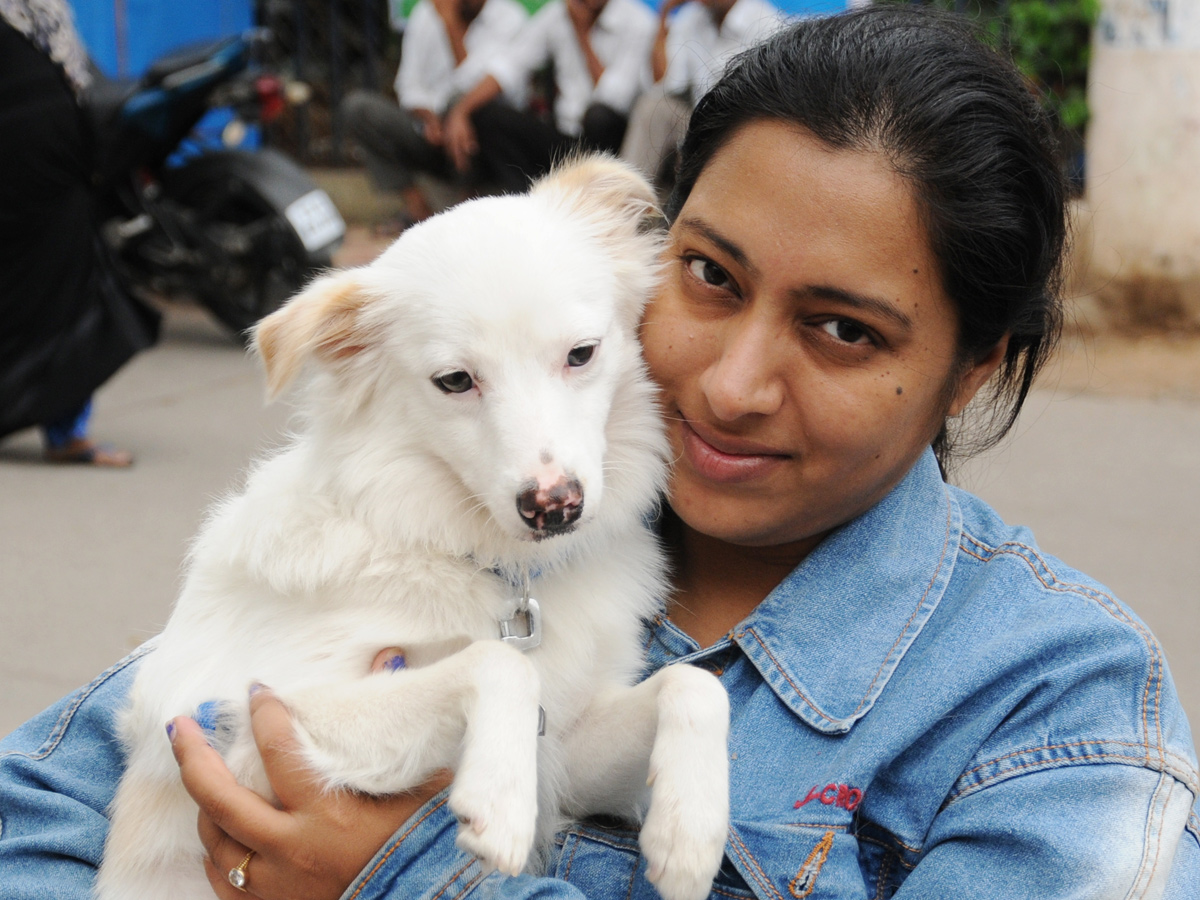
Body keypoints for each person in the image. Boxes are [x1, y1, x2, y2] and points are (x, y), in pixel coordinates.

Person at [1, 7, 1198, 899]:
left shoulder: (1054, 708)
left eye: (843, 331)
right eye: (711, 277)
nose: (729, 387)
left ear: (972, 365)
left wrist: (405, 876)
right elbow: (53, 793)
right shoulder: (466, 529)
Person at [0, 0, 159, 466]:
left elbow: (72, 72)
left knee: (65, 286)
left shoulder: (38, 12)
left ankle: (65, 430)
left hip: (54, 156)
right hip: (22, 155)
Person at [340, 0, 528, 226]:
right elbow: (408, 84)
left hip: (484, 143)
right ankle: (419, 213)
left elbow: (475, 88)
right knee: (358, 108)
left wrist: (451, 26)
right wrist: (429, 118)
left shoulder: (509, 17)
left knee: (463, 105)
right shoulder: (426, 12)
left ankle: (465, 213)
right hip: (432, 132)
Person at [441, 0, 657, 194]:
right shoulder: (558, 13)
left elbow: (613, 98)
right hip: (567, 141)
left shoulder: (639, 22)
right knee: (487, 114)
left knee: (598, 117)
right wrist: (461, 111)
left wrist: (582, 34)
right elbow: (510, 65)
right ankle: (525, 202)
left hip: (612, 147)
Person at [620, 0, 782, 194]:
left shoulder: (768, 25)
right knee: (654, 107)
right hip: (698, 123)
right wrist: (664, 15)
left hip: (742, 131)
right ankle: (626, 200)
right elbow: (666, 82)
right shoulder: (692, 17)